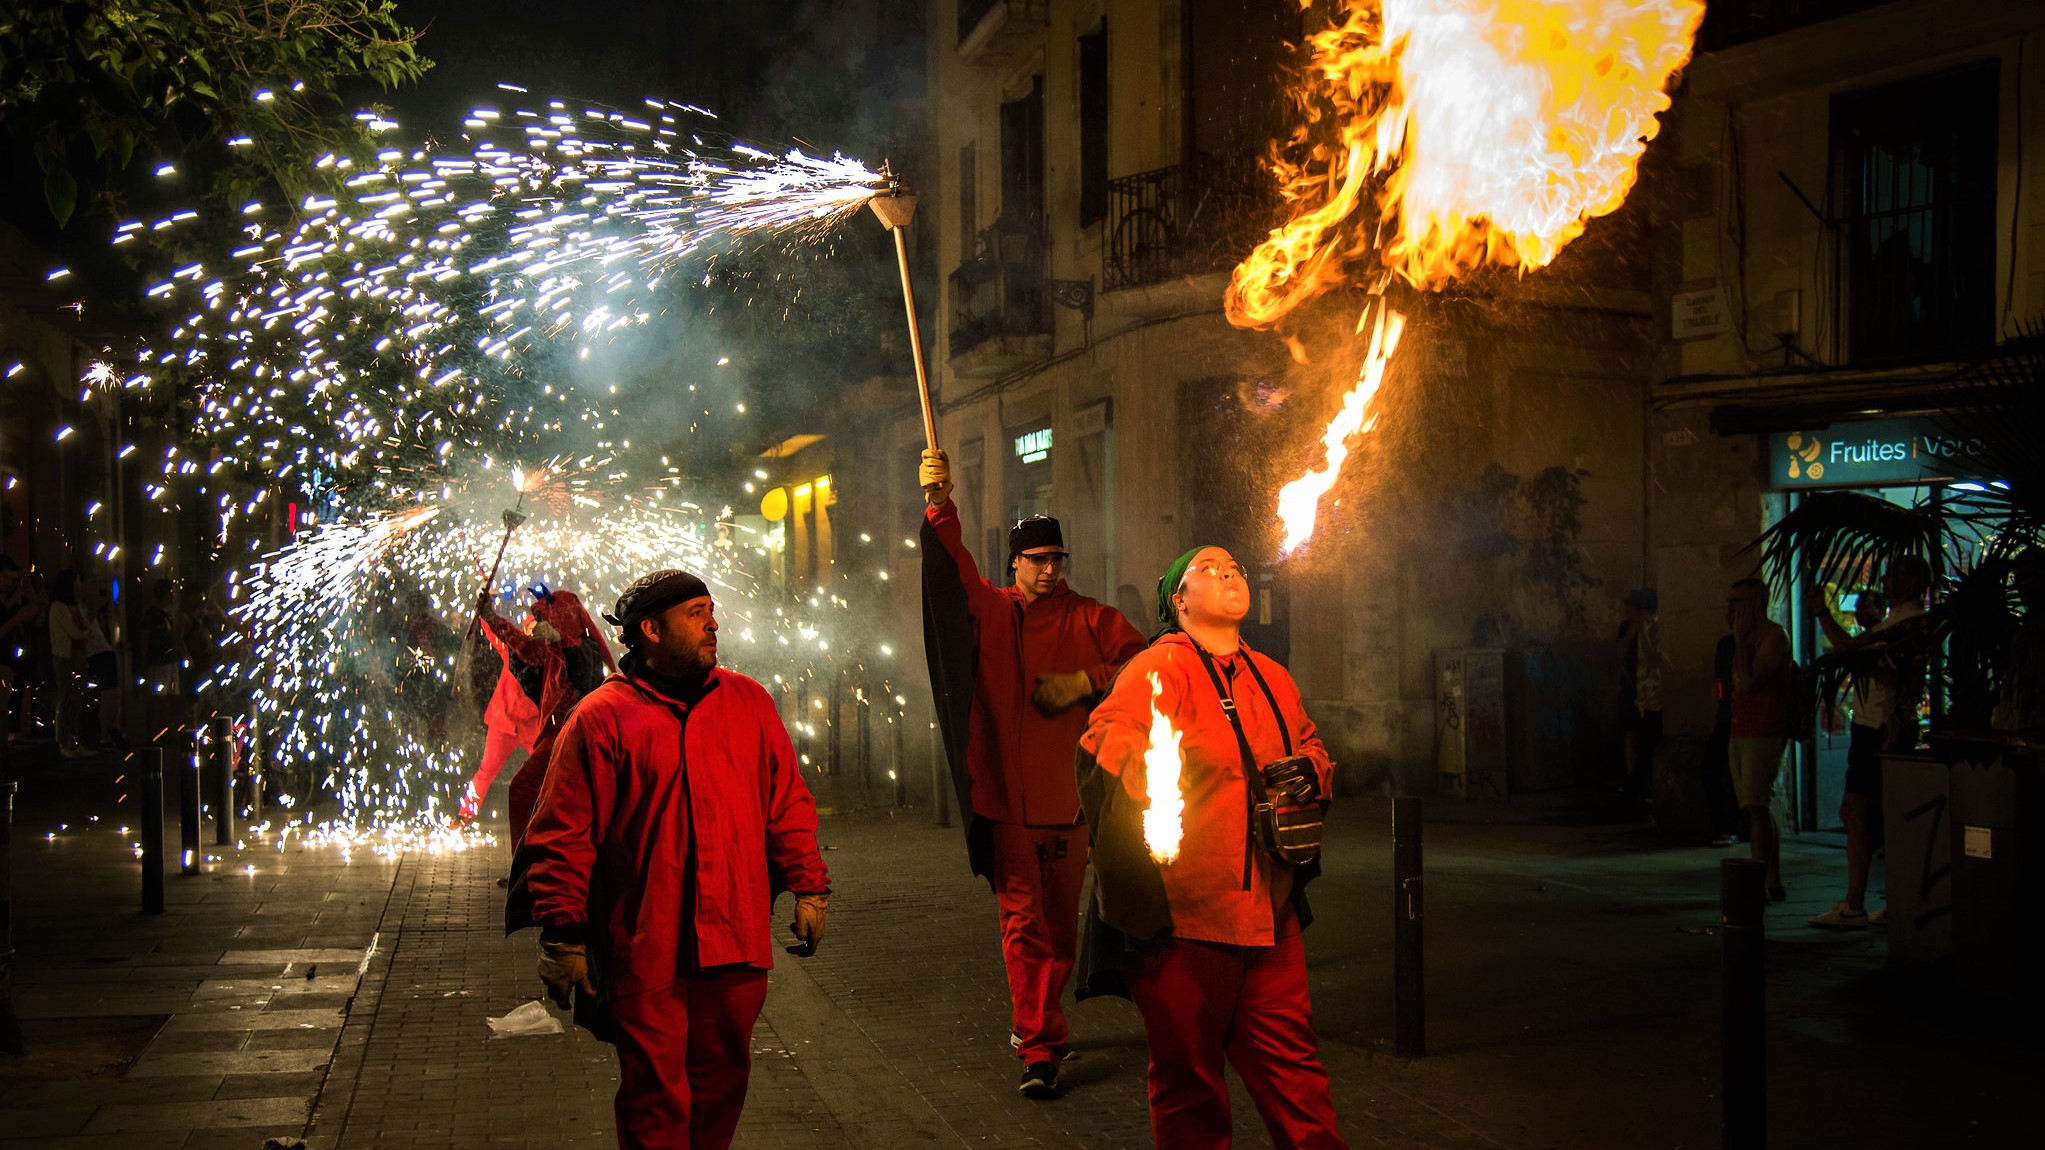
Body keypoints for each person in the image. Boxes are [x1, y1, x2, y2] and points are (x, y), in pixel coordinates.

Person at [517, 569, 829, 1150]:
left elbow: (786, 801)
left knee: (721, 1090)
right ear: (651, 630)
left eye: (711, 609)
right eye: (696, 613)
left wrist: (810, 886)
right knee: (655, 1099)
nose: (713, 623)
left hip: (733, 944)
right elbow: (566, 833)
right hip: (645, 948)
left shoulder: (748, 702)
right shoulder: (603, 716)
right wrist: (562, 931)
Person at [1077, 545, 1347, 1150]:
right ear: (1179, 599)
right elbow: (1103, 743)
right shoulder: (1157, 668)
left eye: (1235, 569)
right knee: (1190, 1085)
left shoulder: (1272, 674)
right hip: (1187, 920)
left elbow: (1311, 744)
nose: (1229, 574)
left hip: (1270, 916)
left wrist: (1313, 769)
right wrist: (1153, 787)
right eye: (1209, 569)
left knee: (1296, 1077)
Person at [918, 448, 1148, 1097]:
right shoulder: (991, 610)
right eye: (1036, 561)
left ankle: (1043, 1024)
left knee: (1057, 921)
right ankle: (1039, 1044)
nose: (1048, 571)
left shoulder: (1092, 618)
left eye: (1056, 560)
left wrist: (1086, 680)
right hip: (1004, 801)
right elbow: (950, 571)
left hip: (1071, 805)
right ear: (1014, 564)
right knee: (1023, 924)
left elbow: (1148, 666)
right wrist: (939, 503)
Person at [1808, 558, 1930, 929]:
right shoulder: (1899, 621)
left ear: (1909, 582)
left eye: (1893, 576)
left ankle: (1856, 902)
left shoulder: (1907, 623)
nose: (1886, 582)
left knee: (1858, 810)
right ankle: (1886, 900)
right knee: (1869, 813)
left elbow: (1862, 655)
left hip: (1878, 725)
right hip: (1874, 722)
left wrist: (1822, 614)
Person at [463, 585, 615, 833]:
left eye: (545, 620)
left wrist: (560, 639)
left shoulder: (582, 649)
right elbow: (518, 644)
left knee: (537, 788)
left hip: (558, 735)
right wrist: (488, 616)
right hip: (513, 724)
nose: (539, 628)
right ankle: (468, 817)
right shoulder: (546, 649)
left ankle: (545, 849)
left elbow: (580, 662)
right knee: (500, 777)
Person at [1728, 577, 1793, 901]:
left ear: (1756, 603)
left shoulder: (1773, 636)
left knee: (1756, 805)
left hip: (1763, 729)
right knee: (1757, 808)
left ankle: (1758, 882)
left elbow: (1750, 683)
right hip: (1741, 728)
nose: (1731, 609)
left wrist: (1740, 643)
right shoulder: (1744, 636)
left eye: (1737, 602)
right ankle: (1772, 880)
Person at [49, 570, 121, 757]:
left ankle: (74, 741)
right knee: (67, 699)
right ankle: (63, 743)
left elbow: (84, 629)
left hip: (79, 656)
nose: (80, 588)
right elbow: (76, 632)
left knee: (77, 699)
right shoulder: (58, 607)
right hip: (65, 657)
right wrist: (87, 626)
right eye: (77, 584)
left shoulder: (76, 607)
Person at [1615, 588, 1664, 802]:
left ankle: (1638, 785)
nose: (1627, 613)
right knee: (1632, 732)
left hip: (1652, 692)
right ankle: (1632, 779)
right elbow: (1619, 652)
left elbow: (1653, 658)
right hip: (1633, 687)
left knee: (1647, 740)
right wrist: (1634, 629)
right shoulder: (1629, 627)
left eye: (1631, 610)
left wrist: (1642, 629)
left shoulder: (1655, 627)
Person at [1704, 609, 1742, 847]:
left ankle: (1734, 825)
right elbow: (1721, 680)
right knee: (1711, 769)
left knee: (1736, 774)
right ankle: (1725, 825)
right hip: (1727, 717)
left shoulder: (1765, 641)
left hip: (1746, 719)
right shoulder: (1727, 644)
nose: (1729, 614)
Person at [0, 557, 44, 741]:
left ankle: (15, 730)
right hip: (2, 657)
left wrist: (32, 599)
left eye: (13, 579)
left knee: (13, 695)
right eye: (7, 578)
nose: (9, 583)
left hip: (11, 655)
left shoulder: (8, 598)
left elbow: (32, 618)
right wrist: (17, 618)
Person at [138, 578, 183, 744]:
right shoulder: (152, 614)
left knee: (169, 697)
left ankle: (165, 730)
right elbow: (145, 637)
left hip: (171, 661)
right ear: (164, 593)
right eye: (171, 592)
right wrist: (145, 660)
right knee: (157, 697)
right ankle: (152, 732)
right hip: (157, 661)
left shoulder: (169, 615)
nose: (173, 596)